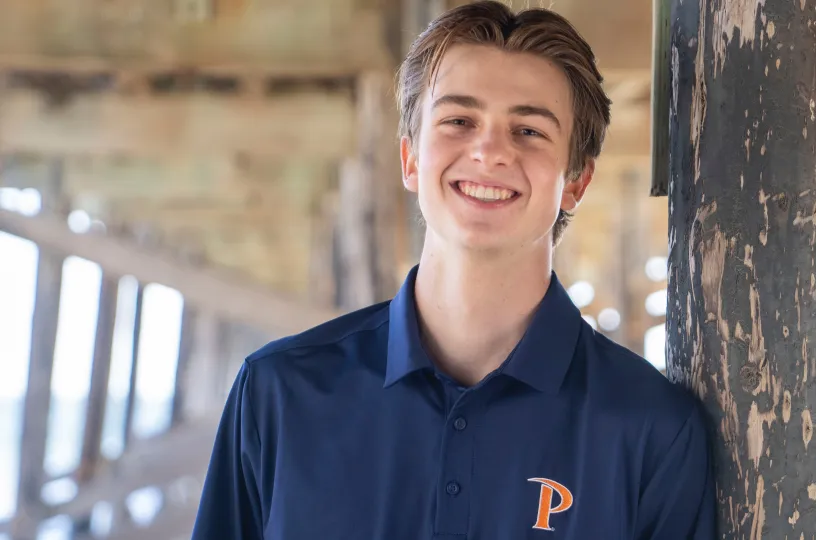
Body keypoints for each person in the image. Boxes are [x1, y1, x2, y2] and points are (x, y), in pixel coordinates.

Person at [190, 1, 716, 538]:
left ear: (576, 182)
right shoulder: (279, 394)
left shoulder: (652, 430)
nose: (489, 151)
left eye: (529, 130)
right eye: (458, 121)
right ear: (411, 159)